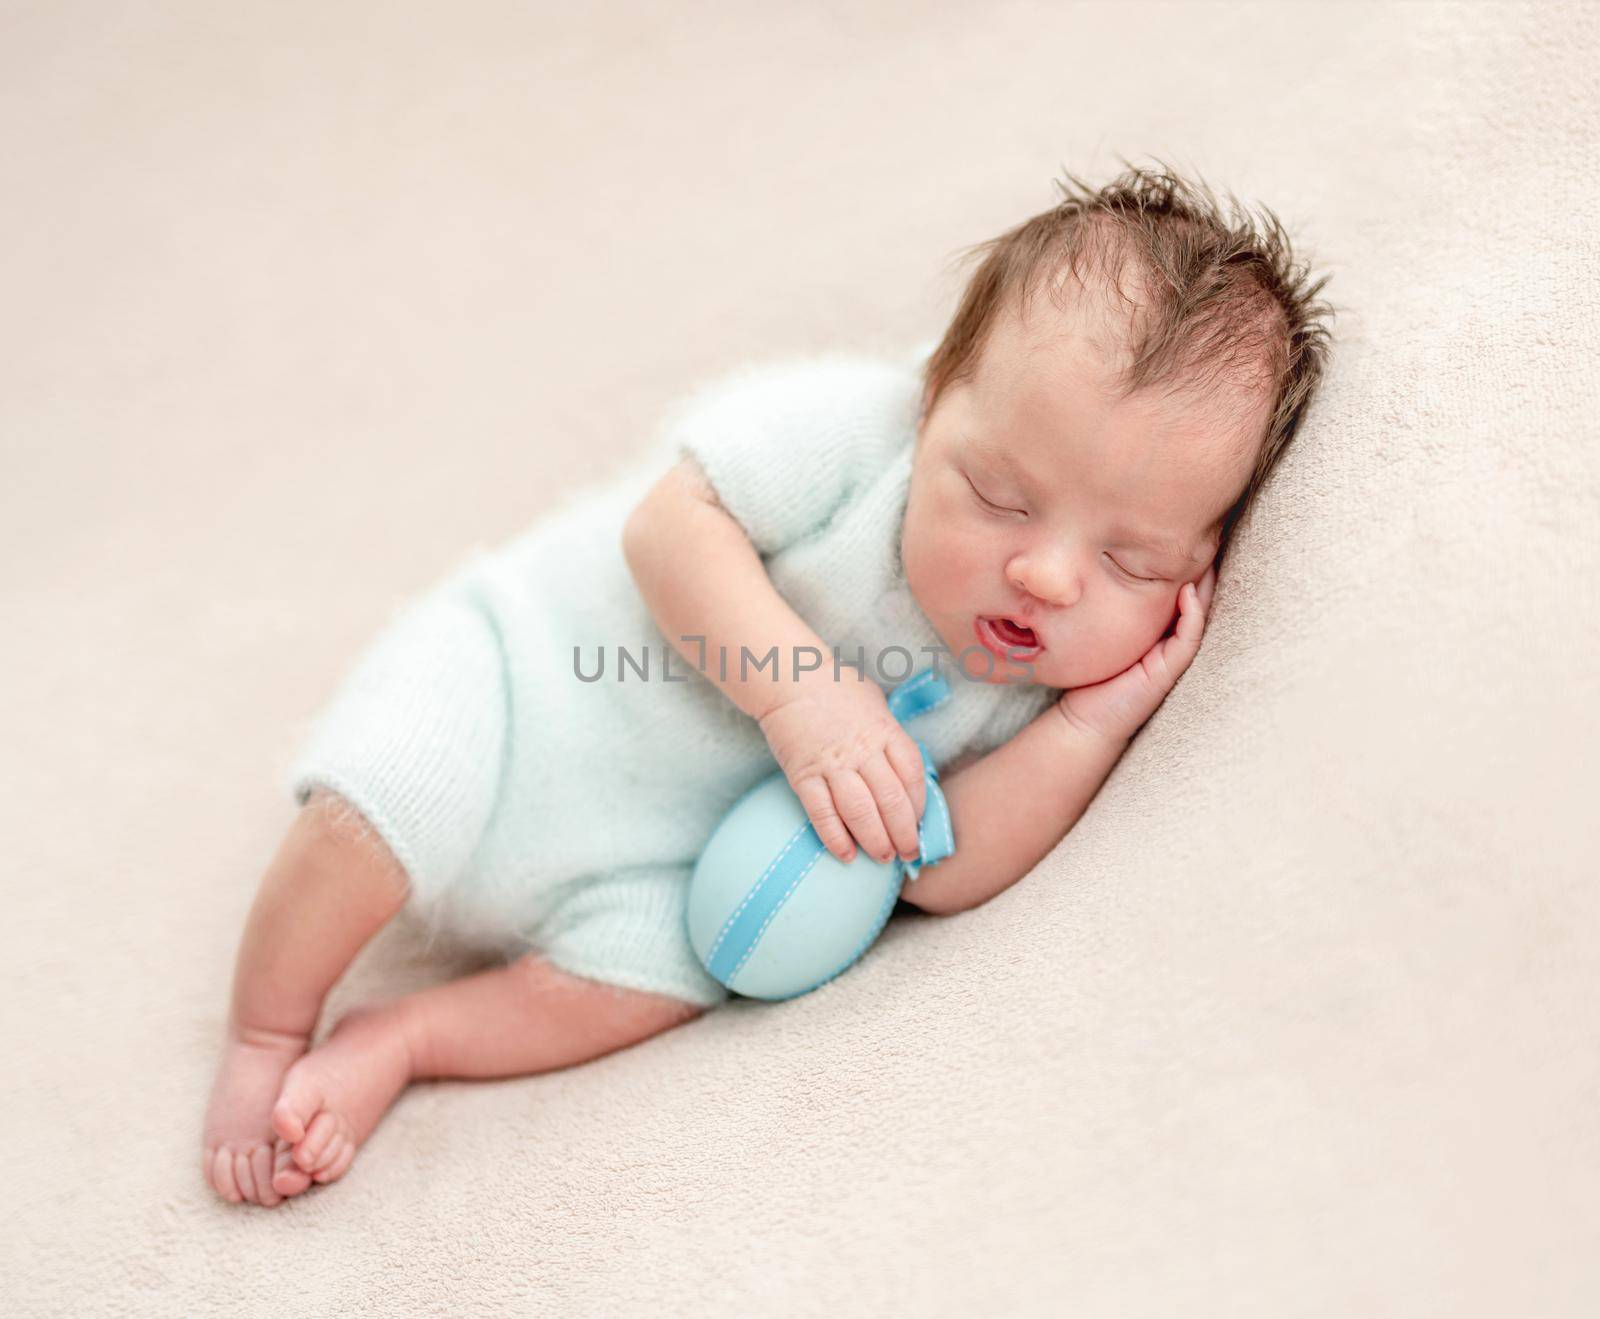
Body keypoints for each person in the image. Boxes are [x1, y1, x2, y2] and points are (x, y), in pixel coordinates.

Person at [201, 164, 1333, 1205]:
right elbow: (669, 529)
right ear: (935, 395)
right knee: (383, 800)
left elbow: (936, 872)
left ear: (1198, 566)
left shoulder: (1044, 681)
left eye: (1132, 560)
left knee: (664, 972)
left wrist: (1090, 723)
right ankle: (267, 1029)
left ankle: (401, 1039)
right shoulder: (853, 433)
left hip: (659, 863)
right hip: (524, 687)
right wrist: (805, 695)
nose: (1043, 574)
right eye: (996, 493)